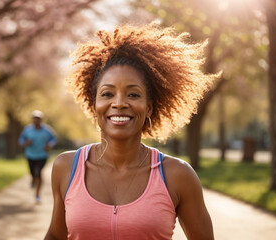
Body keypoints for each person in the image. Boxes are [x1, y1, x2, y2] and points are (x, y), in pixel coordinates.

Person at [45, 22, 219, 240]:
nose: (119, 103)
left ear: (149, 107)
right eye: (107, 94)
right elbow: (55, 235)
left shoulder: (178, 175)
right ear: (94, 104)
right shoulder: (66, 168)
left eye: (133, 95)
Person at [18, 110, 56, 203]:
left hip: (42, 155)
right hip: (30, 155)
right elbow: (21, 141)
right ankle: (33, 179)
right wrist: (25, 142)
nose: (36, 120)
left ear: (41, 120)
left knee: (38, 172)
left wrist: (49, 144)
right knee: (33, 173)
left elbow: (54, 139)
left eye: (38, 119)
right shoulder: (27, 129)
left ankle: (37, 194)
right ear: (32, 119)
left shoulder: (47, 130)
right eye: (35, 118)